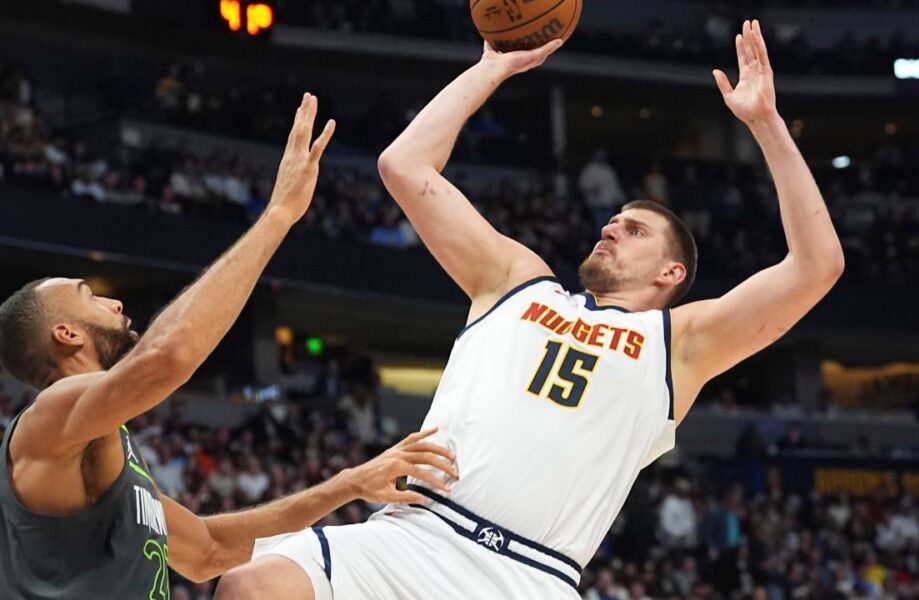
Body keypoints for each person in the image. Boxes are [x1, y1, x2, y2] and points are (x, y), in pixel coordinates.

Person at [222, 19, 842, 599]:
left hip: (530, 573)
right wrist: (490, 67)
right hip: (414, 533)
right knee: (251, 586)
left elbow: (817, 267)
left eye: (633, 230)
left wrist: (765, 123)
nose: (610, 227)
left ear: (670, 272)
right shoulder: (518, 281)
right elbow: (404, 166)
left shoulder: (681, 342)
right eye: (613, 219)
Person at [0, 94, 456, 599]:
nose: (112, 301)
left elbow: (210, 552)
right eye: (89, 295)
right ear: (66, 335)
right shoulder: (51, 416)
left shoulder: (110, 451)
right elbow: (167, 358)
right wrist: (278, 215)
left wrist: (348, 483)